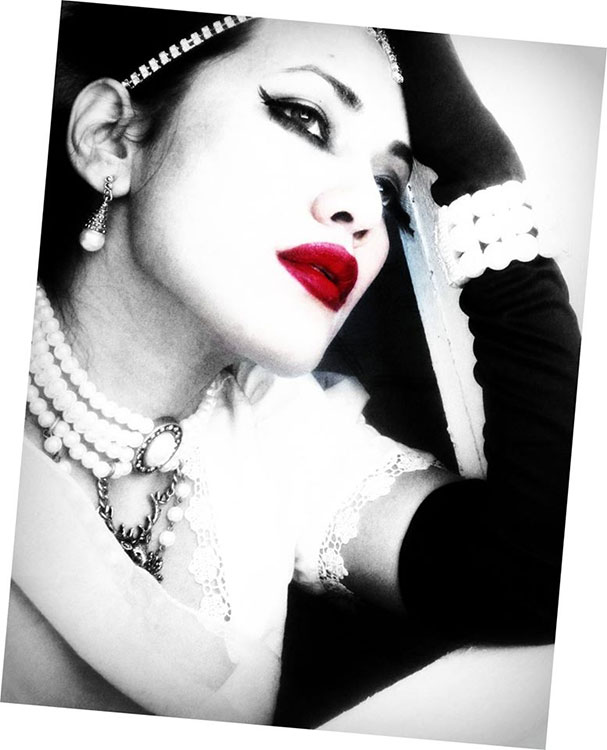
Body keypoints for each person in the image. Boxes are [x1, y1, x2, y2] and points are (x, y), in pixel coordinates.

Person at [1, 1, 580, 742]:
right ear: (112, 137)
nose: (363, 213)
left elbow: (541, 567)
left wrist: (483, 167)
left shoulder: (277, 430)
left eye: (387, 189)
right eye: (304, 118)